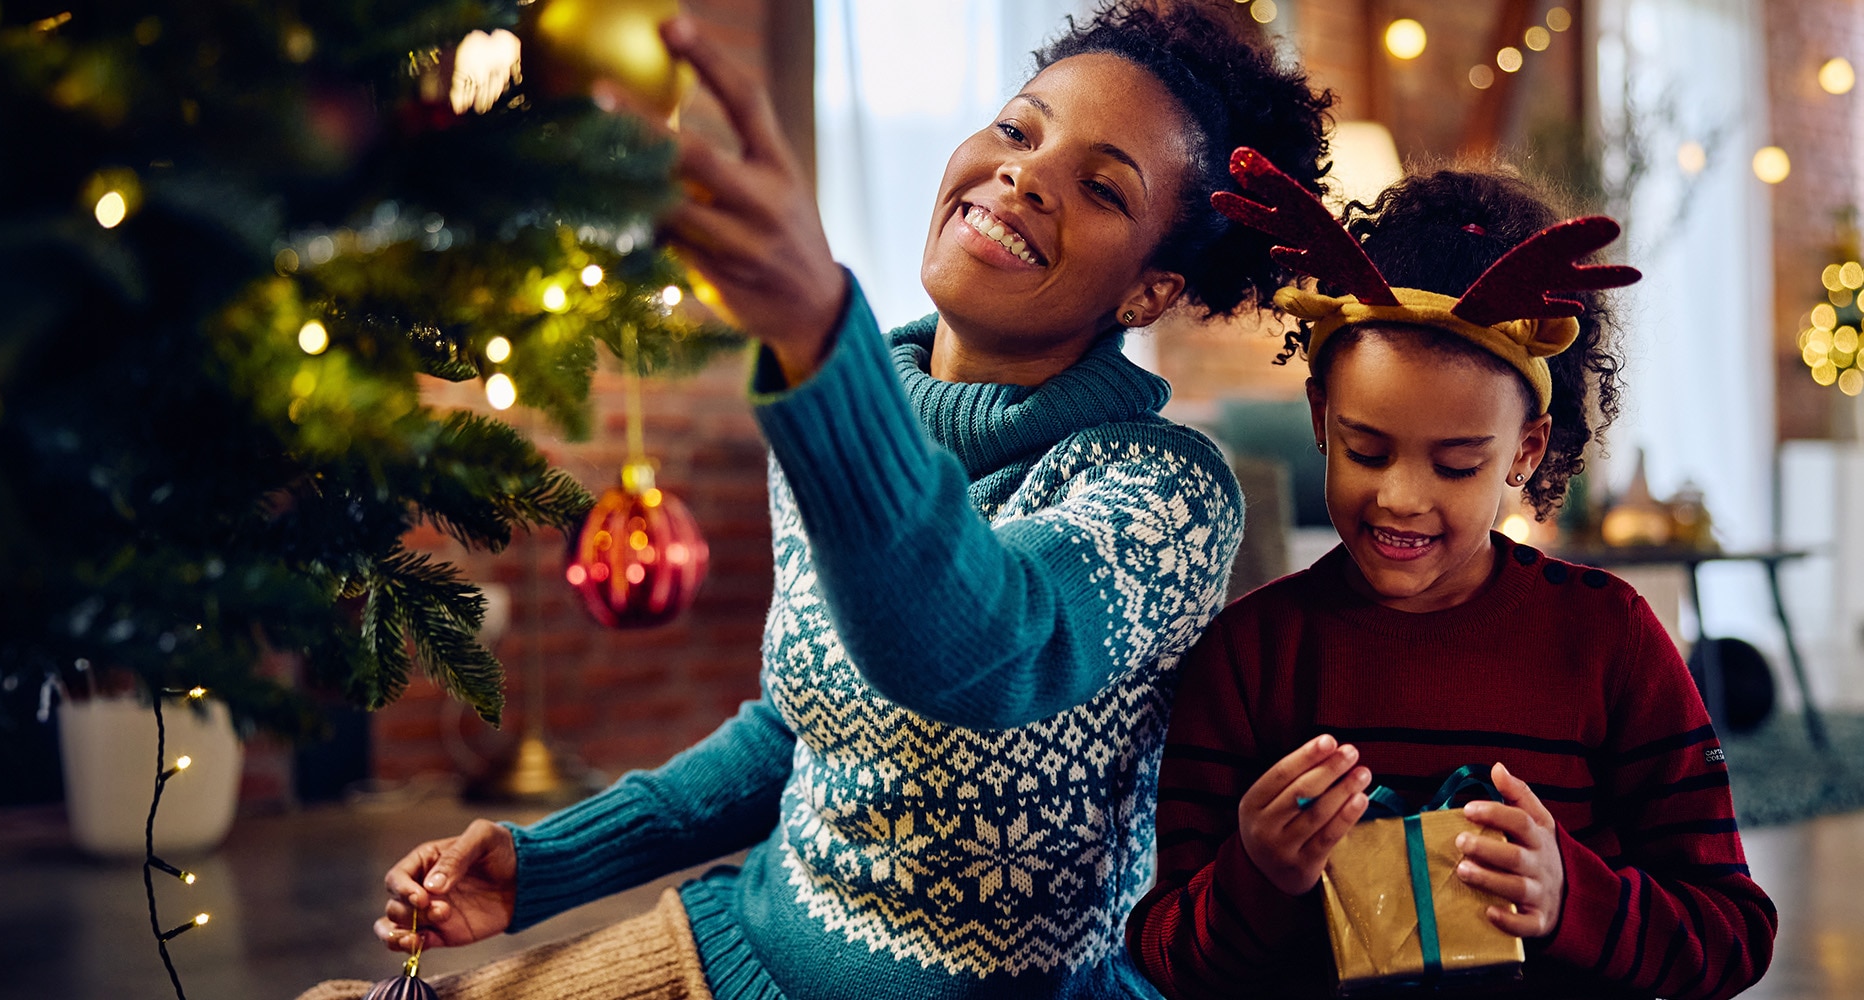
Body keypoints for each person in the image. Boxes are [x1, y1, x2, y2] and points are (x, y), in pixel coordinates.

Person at [301, 4, 1334, 998]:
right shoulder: (834, 408)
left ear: (1150, 290)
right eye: (1019, 127)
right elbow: (797, 732)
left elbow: (978, 651)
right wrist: (540, 865)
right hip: (738, 941)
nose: (1024, 173)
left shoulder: (1167, 492)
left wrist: (816, 338)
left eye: (1104, 189)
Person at [1125, 158, 1776, 999]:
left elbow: (1734, 934)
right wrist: (1255, 873)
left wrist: (1572, 896)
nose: (1403, 499)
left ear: (1525, 452)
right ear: (1322, 417)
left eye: (1459, 465)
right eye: (1368, 451)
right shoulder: (1251, 655)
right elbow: (1168, 958)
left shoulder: (1606, 637)